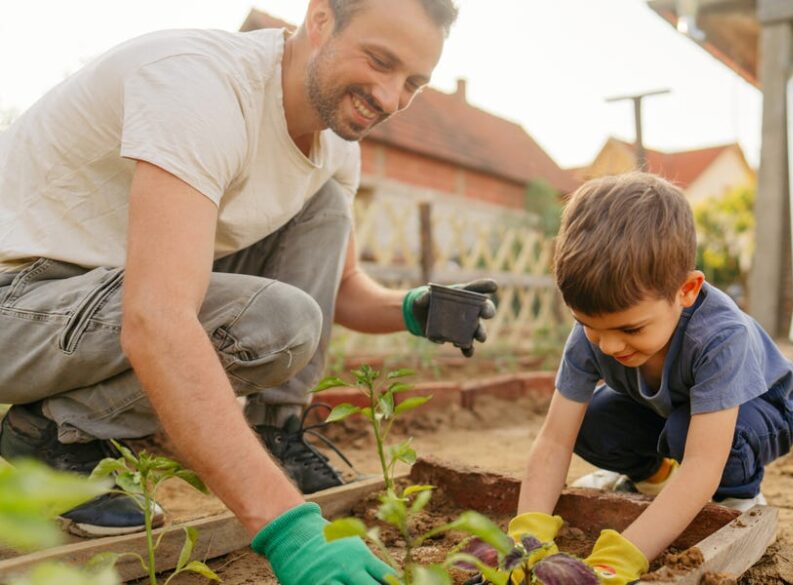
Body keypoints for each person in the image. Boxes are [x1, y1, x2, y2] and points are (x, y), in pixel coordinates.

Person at [0, 0, 493, 583]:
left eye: (413, 82)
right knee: (277, 321)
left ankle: (276, 434)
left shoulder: (335, 142)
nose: (390, 98)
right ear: (320, 19)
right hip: (20, 303)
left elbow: (343, 289)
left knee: (325, 208)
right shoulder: (202, 86)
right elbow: (158, 318)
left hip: (95, 305)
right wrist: (288, 530)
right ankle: (51, 436)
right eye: (380, 61)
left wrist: (413, 309)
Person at [508, 173, 793, 584]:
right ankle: (653, 478)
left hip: (759, 415)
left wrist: (622, 555)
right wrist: (528, 535)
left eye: (629, 329)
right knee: (590, 423)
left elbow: (702, 461)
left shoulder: (720, 336)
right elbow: (556, 438)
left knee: (691, 437)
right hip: (666, 410)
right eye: (589, 325)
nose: (608, 346)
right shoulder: (593, 335)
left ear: (687, 289)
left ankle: (739, 494)